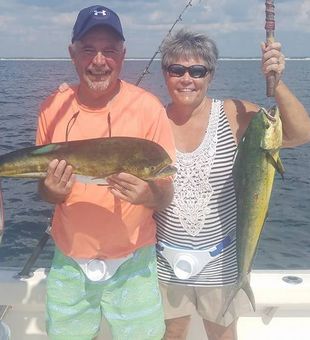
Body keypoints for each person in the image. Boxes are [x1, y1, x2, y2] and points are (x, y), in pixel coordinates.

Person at [154, 29, 310, 340]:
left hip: (222, 259)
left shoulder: (231, 114)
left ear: (210, 75)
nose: (187, 78)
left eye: (197, 71)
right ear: (165, 74)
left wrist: (276, 84)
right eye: (177, 70)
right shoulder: (152, 119)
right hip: (163, 262)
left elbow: (300, 134)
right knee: (171, 333)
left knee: (224, 334)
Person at [36, 5, 175, 340]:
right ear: (73, 54)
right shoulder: (52, 108)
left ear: (123, 55)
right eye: (88, 50)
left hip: (134, 261)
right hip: (69, 259)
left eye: (109, 50)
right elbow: (44, 191)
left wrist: (149, 195)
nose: (99, 61)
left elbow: (166, 191)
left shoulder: (148, 108)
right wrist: (53, 190)